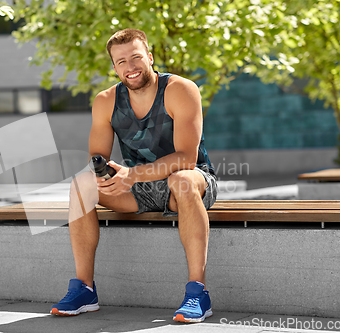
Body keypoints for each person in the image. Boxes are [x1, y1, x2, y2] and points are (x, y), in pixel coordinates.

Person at [50, 28, 218, 323]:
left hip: (191, 182)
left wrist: (133, 174)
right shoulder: (105, 101)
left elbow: (186, 158)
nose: (130, 67)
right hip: (137, 186)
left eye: (136, 57)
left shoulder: (181, 89)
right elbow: (96, 157)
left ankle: (198, 292)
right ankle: (85, 288)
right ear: (114, 67)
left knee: (181, 179)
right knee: (80, 184)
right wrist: (105, 172)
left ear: (150, 57)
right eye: (121, 61)